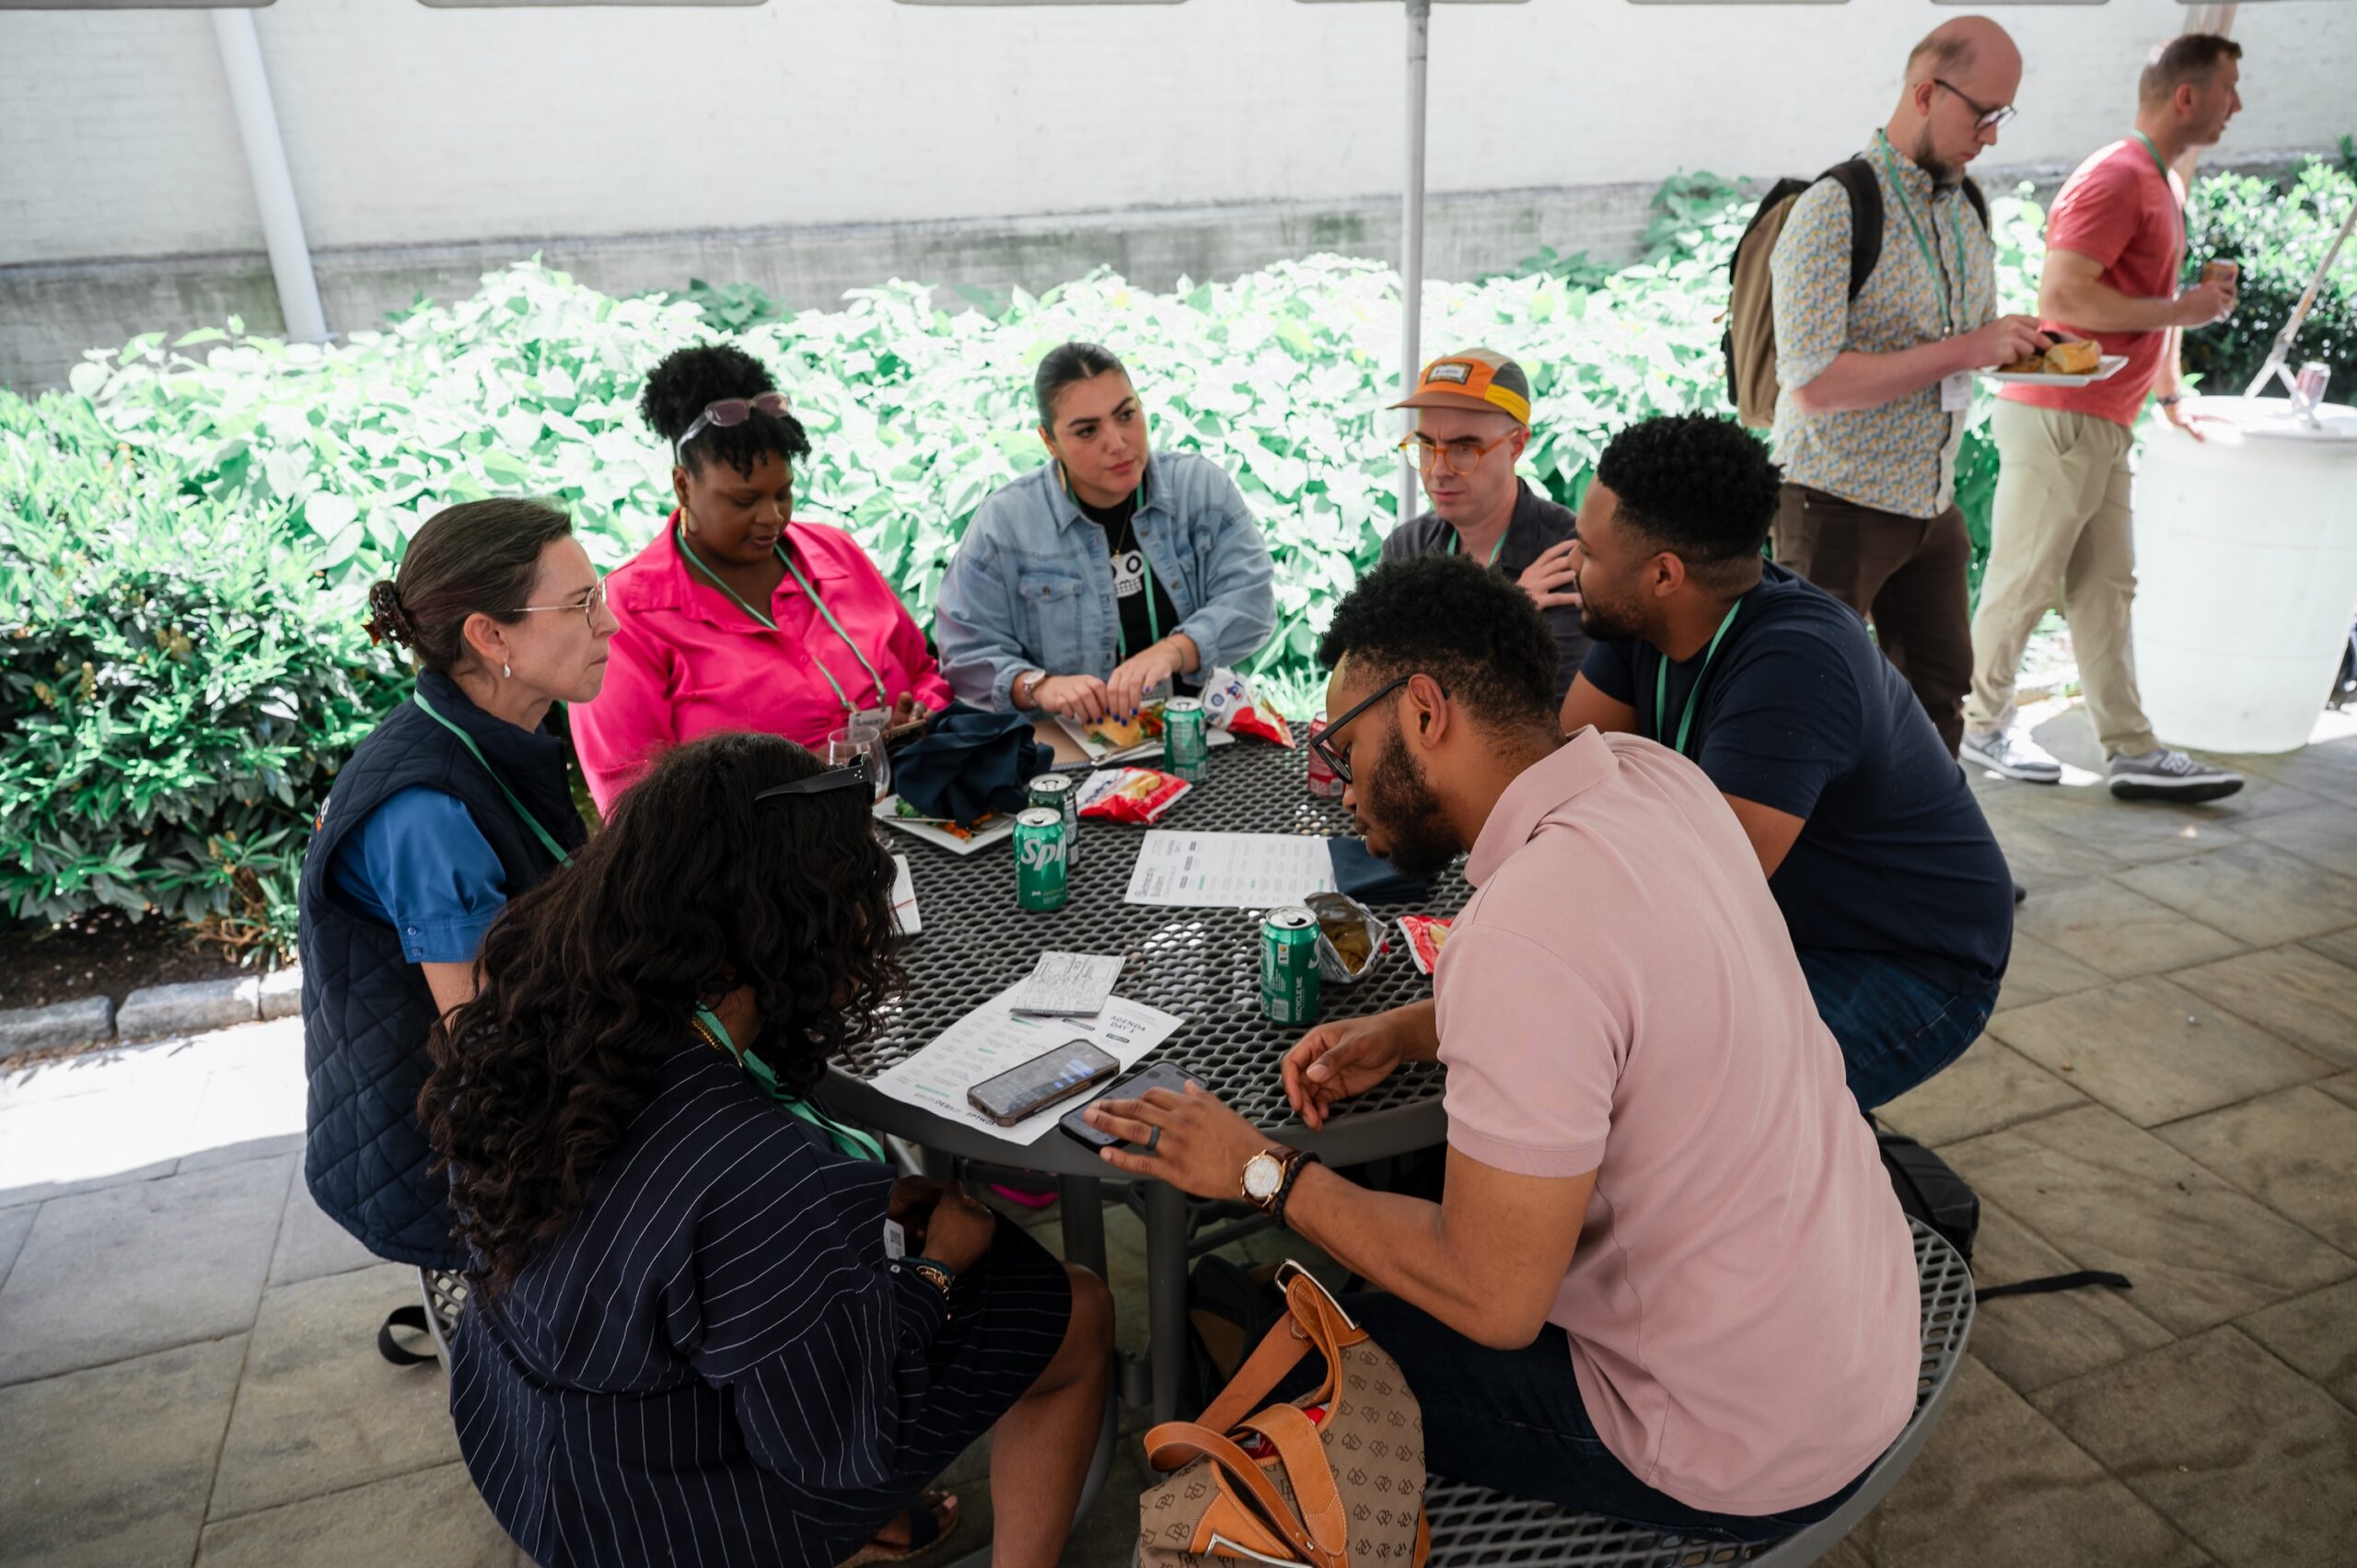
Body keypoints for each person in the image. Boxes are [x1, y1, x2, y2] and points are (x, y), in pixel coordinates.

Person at [1084, 555, 1918, 1540]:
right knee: (1379, 1272)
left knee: (1301, 1353)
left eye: (1345, 749)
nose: (1341, 788)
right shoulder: (1657, 778)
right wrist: (1408, 1026)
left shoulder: (1522, 931)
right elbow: (1624, 983)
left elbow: (1493, 1299)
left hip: (1733, 1443)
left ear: (1425, 710)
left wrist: (1259, 1170)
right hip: (1858, 1346)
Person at [422, 732, 1114, 1568]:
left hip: (519, 1429)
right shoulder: (755, 1170)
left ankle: (864, 1523)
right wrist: (932, 1273)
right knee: (1074, 1307)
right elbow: (829, 1436)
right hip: (652, 1520)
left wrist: (844, 1226)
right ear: (799, 919)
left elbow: (656, 1246)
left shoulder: (541, 1016)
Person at [1559, 414, 2013, 1109]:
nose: (1572, 565)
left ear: (1663, 573)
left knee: (1682, 1104)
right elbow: (1564, 776)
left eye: (1587, 552)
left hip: (1907, 957)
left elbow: (1700, 895)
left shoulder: (1796, 666)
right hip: (1779, 926)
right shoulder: (1641, 615)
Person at [300, 499, 612, 1288]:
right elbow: (490, 1039)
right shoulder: (426, 811)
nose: (609, 624)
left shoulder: (503, 727)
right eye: (580, 604)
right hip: (455, 1167)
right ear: (490, 635)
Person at [1961, 35, 2247, 804]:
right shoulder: (2118, 175)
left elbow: (2139, 307)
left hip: (2101, 419)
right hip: (2061, 411)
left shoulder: (2162, 182)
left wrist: (2171, 393)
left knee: (2106, 586)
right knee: (2024, 580)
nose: (2239, 106)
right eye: (2230, 88)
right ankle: (1978, 725)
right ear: (2185, 96)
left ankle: (2130, 747)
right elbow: (2067, 301)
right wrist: (2181, 307)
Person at [1770, 16, 2048, 756]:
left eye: (2002, 116)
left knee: (1938, 695)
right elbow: (1813, 384)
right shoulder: (1831, 209)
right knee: (1809, 704)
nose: (1991, 135)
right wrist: (1970, 345)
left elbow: (1970, 345)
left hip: (1931, 501)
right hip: (1834, 500)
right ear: (1925, 92)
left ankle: (1931, 867)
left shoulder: (1965, 206)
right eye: (1983, 113)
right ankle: (1807, 869)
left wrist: (2028, 348)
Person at [573, 343, 952, 814]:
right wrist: (799, 778)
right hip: (751, 871)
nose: (773, 517)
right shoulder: (628, 616)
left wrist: (917, 715)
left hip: (909, 818)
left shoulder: (836, 554)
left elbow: (922, 672)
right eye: (744, 500)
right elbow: (632, 804)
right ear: (683, 485)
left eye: (783, 493)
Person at [934, 342, 1276, 723]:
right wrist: (1038, 686)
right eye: (1086, 431)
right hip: (1068, 751)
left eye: (1126, 415)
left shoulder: (1200, 489)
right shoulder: (1006, 523)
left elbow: (1253, 603)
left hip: (1202, 730)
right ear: (1050, 442)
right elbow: (964, 650)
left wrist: (1174, 650)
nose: (1116, 443)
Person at [1378, 348, 1589, 703]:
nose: (1438, 470)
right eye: (1427, 446)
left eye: (1464, 448)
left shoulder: (1568, 553)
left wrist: (1428, 660)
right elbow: (1380, 689)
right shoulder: (1406, 548)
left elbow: (1544, 724)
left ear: (1517, 445)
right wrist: (1505, 613)